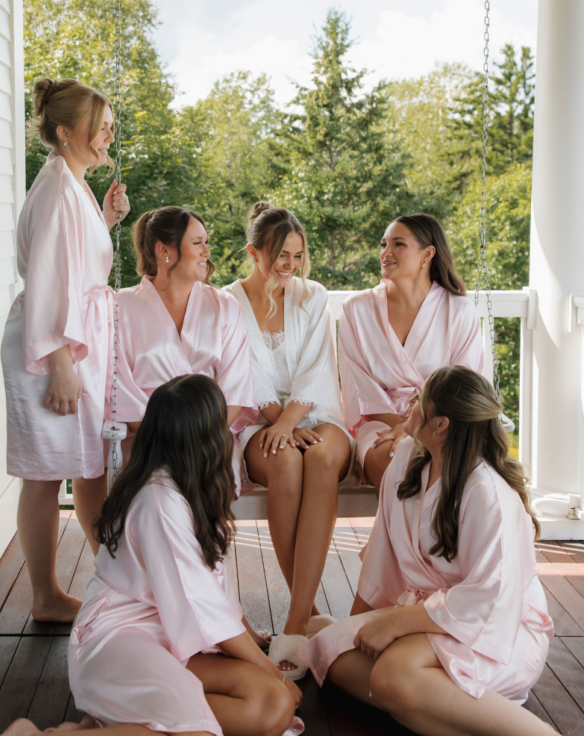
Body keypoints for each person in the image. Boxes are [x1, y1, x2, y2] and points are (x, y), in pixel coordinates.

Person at [0, 374, 303, 736]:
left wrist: (261, 655)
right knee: (201, 731)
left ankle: (99, 724)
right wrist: (272, 670)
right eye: (221, 426)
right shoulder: (158, 501)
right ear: (202, 439)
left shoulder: (192, 487)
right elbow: (201, 603)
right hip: (120, 636)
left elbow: (212, 592)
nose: (228, 435)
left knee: (274, 705)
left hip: (169, 634)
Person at [299, 366, 555, 736]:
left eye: (419, 403)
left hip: (498, 631)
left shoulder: (487, 494)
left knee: (392, 674)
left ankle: (533, 732)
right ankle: (434, 705)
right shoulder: (404, 460)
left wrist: (394, 623)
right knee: (332, 655)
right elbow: (381, 562)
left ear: (441, 426)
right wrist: (350, 631)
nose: (410, 410)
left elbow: (488, 601)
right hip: (431, 621)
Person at [1, 78, 130, 623]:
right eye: (99, 126)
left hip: (73, 345)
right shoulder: (56, 188)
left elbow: (75, 260)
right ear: (63, 131)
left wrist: (104, 219)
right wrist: (58, 364)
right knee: (47, 473)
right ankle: (46, 597)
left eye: (110, 127)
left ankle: (116, 583)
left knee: (89, 466)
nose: (108, 136)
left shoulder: (70, 184)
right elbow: (52, 281)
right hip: (53, 348)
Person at [226, 202, 355, 681]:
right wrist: (278, 423)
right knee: (284, 463)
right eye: (281, 255)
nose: (290, 266)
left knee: (319, 457)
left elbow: (319, 367)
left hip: (316, 414)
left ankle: (297, 620)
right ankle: (308, 612)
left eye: (297, 256)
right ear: (254, 253)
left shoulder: (313, 296)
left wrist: (295, 419)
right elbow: (241, 371)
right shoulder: (229, 301)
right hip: (258, 418)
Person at [113, 206, 258, 496]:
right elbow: (120, 387)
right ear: (163, 250)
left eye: (206, 242)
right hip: (147, 441)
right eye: (197, 243)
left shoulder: (224, 306)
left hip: (211, 439)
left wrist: (200, 440)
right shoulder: (121, 306)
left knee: (203, 478)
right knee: (158, 486)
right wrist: (164, 443)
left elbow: (235, 388)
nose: (206, 251)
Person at [339, 213, 483, 492]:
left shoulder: (459, 311)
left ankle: (418, 537)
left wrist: (416, 425)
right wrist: (401, 426)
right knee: (391, 460)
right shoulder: (356, 309)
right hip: (380, 420)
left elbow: (463, 385)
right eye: (383, 244)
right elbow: (359, 385)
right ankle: (415, 537)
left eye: (398, 244)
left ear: (427, 254)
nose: (386, 252)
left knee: (439, 462)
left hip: (443, 421)